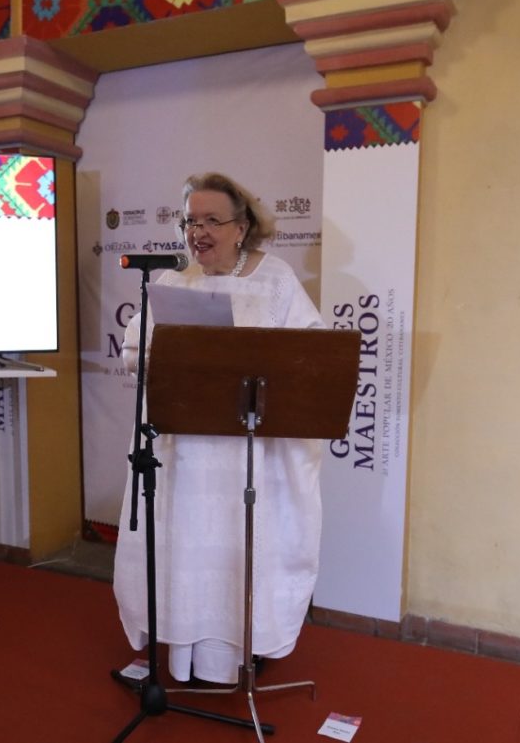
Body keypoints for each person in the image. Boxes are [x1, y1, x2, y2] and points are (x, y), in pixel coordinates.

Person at [113, 171, 325, 685]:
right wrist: (164, 358)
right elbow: (133, 352)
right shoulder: (172, 281)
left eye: (212, 220)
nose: (198, 232)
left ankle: (236, 652)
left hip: (246, 457)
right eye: (191, 221)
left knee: (237, 551)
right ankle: (181, 654)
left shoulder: (275, 280)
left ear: (241, 226)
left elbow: (312, 354)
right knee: (184, 549)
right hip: (184, 455)